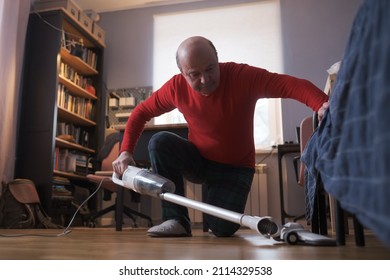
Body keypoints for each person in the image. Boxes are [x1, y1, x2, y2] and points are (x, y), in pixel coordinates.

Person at [112, 36, 329, 238]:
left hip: (236, 166)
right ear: (182, 74)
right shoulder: (175, 87)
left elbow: (289, 85)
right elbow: (140, 113)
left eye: (210, 69)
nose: (205, 80)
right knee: (160, 142)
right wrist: (125, 151)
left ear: (218, 60)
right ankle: (176, 220)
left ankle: (216, 219)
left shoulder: (241, 76)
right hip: (200, 159)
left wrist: (321, 104)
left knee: (221, 228)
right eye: (194, 75)